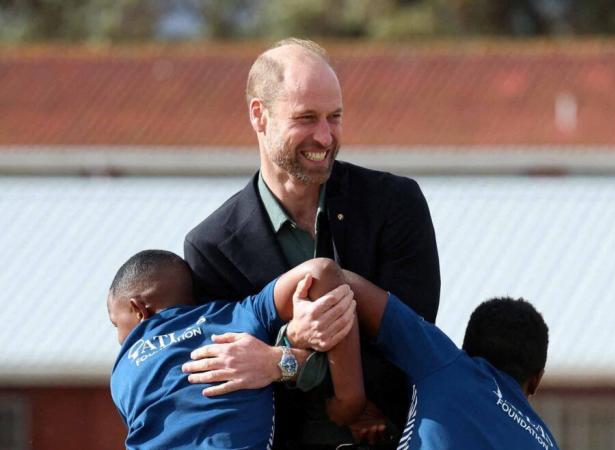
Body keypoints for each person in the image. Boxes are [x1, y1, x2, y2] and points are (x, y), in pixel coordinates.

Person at [184, 38, 440, 448]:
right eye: (306, 118)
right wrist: (295, 346)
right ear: (259, 115)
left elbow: (412, 350)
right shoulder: (211, 248)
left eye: (334, 117)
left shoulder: (396, 205)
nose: (325, 137)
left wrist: (281, 359)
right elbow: (226, 385)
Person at [108, 250, 364, 450]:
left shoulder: (123, 368)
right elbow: (322, 270)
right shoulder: (239, 316)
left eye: (115, 324)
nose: (120, 339)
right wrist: (348, 399)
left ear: (139, 309)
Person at [341, 270, 560, 450]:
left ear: (465, 351)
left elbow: (335, 279)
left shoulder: (447, 364)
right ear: (536, 380)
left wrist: (350, 399)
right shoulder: (548, 444)